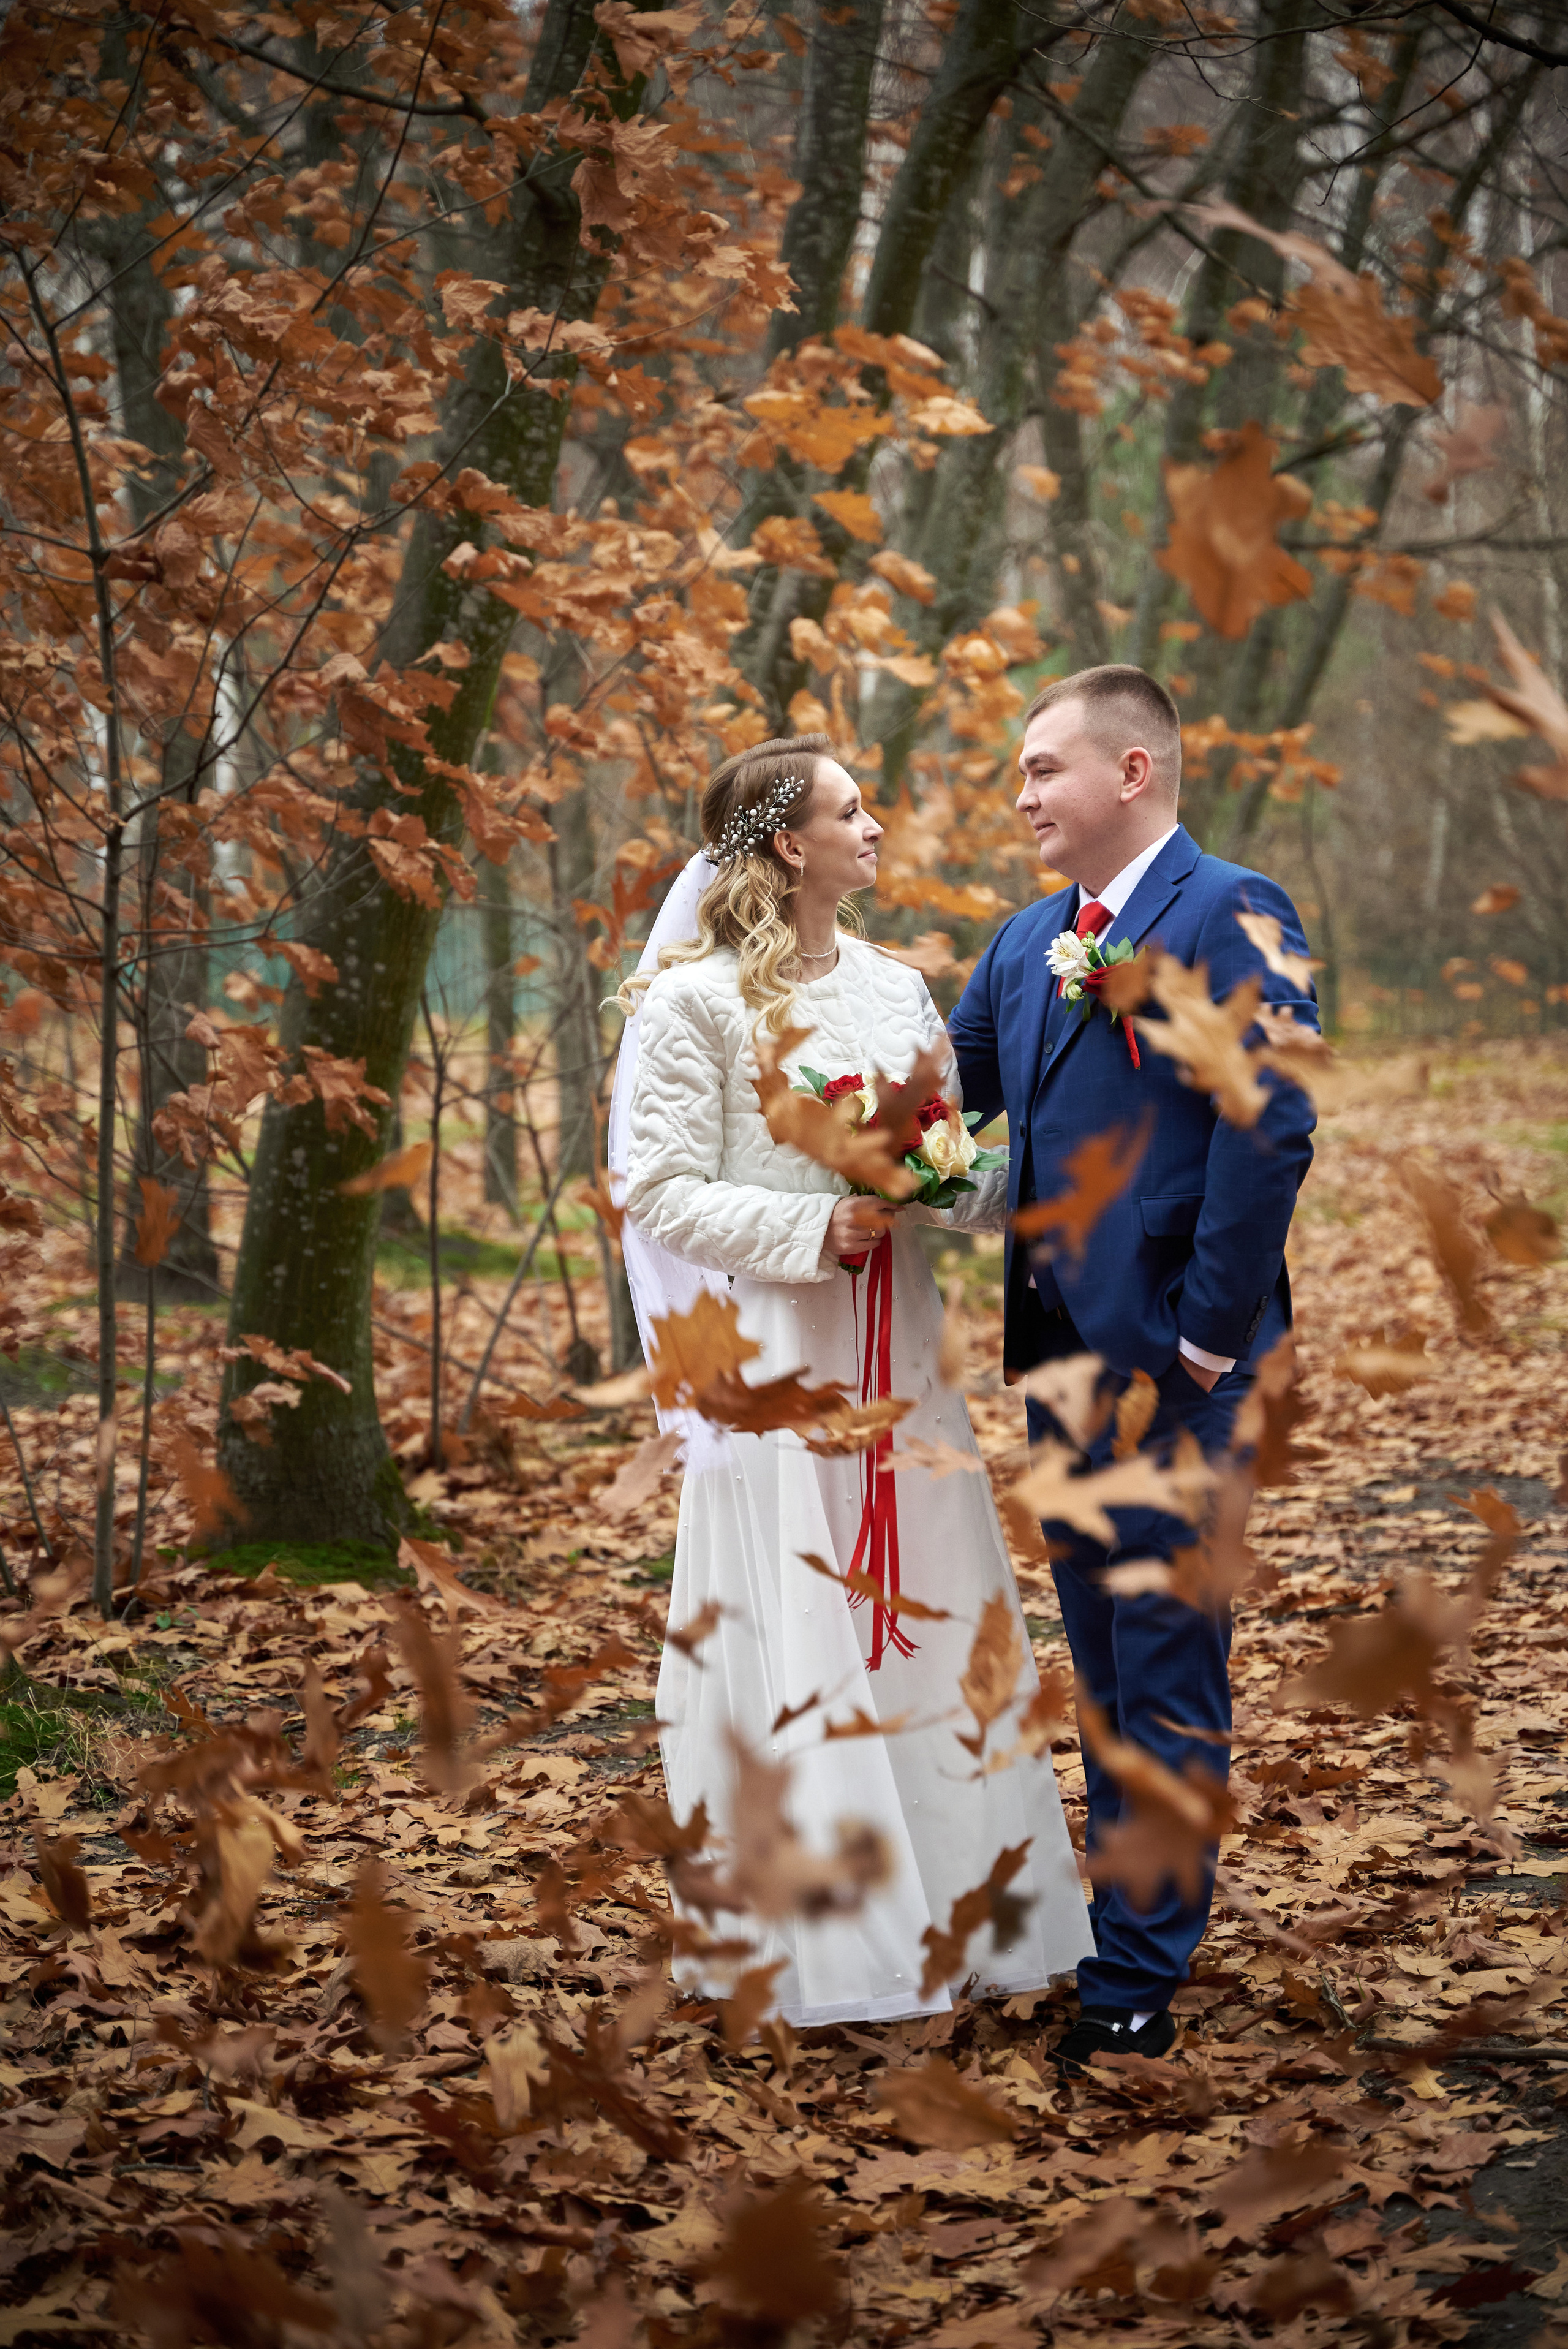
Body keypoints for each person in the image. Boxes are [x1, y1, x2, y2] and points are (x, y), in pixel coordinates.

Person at [617, 733, 1095, 2029]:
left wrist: (1017, 1191)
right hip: (781, 1353)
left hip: (901, 1345)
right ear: (787, 844)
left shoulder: (895, 987)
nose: (874, 826)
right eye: (850, 807)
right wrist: (807, 1230)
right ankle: (826, 1940)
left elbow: (936, 1157)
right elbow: (654, 1188)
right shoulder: (694, 1003)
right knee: (806, 1616)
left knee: (930, 1608)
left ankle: (965, 1914)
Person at [948, 665, 1318, 2076]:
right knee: (1102, 1666)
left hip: (1175, 1364)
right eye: (1018, 774)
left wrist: (1204, 1341)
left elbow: (1266, 1128)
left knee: (1162, 1664)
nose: (1021, 795)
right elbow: (941, 1096)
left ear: (1133, 774)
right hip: (1052, 1368)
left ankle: (1138, 1970)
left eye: (1043, 768)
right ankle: (1129, 1923)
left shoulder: (1235, 907)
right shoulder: (1024, 941)